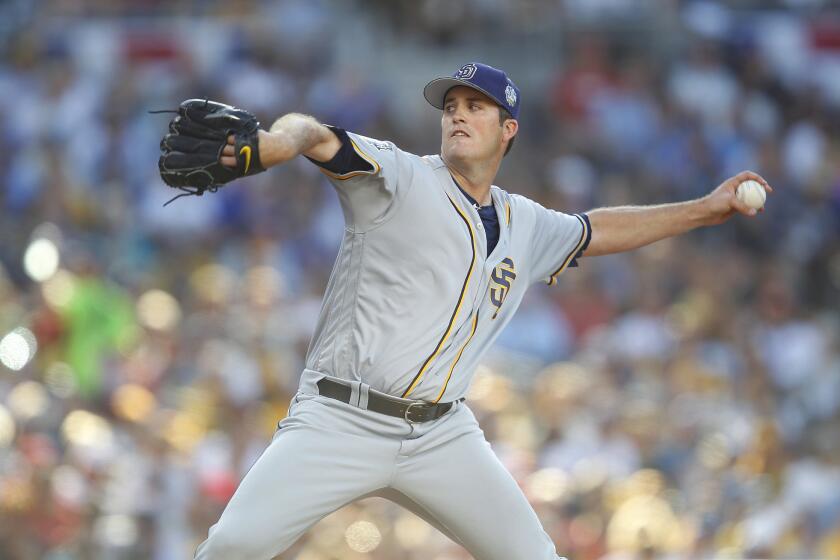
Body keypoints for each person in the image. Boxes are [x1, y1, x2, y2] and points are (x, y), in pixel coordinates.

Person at [194, 62, 771, 559]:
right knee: (231, 549)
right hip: (341, 418)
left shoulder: (527, 223)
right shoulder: (402, 177)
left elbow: (596, 230)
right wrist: (276, 142)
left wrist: (701, 209)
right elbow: (314, 133)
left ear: (508, 129)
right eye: (451, 106)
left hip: (441, 435)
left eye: (476, 106)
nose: (458, 115)